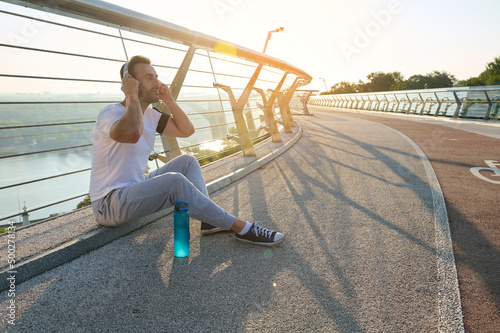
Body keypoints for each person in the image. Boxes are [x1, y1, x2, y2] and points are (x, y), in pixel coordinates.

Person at [89, 55, 284, 247]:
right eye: (149, 78)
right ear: (129, 82)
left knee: (187, 162)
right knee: (174, 180)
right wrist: (131, 95)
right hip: (109, 204)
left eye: (156, 76)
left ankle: (209, 221)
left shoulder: (152, 115)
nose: (157, 82)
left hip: (134, 187)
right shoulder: (110, 113)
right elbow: (132, 133)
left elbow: (186, 130)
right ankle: (242, 228)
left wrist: (169, 100)